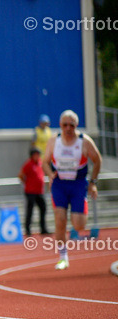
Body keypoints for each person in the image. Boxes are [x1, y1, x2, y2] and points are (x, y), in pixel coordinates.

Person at [43, 110, 102, 270]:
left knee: (79, 226)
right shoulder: (54, 141)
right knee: (59, 220)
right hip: (60, 185)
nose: (68, 128)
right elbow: (45, 162)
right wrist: (50, 175)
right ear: (60, 125)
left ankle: (78, 214)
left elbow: (97, 160)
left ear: (76, 125)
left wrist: (93, 183)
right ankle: (63, 257)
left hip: (78, 185)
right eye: (64, 125)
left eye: (71, 125)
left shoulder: (84, 141)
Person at [18, 148, 49, 236]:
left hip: (39, 191)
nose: (37, 156)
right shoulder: (28, 164)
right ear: (32, 155)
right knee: (30, 211)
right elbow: (20, 175)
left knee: (43, 209)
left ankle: (43, 229)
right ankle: (28, 230)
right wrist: (26, 183)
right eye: (36, 154)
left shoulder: (40, 162)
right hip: (30, 191)